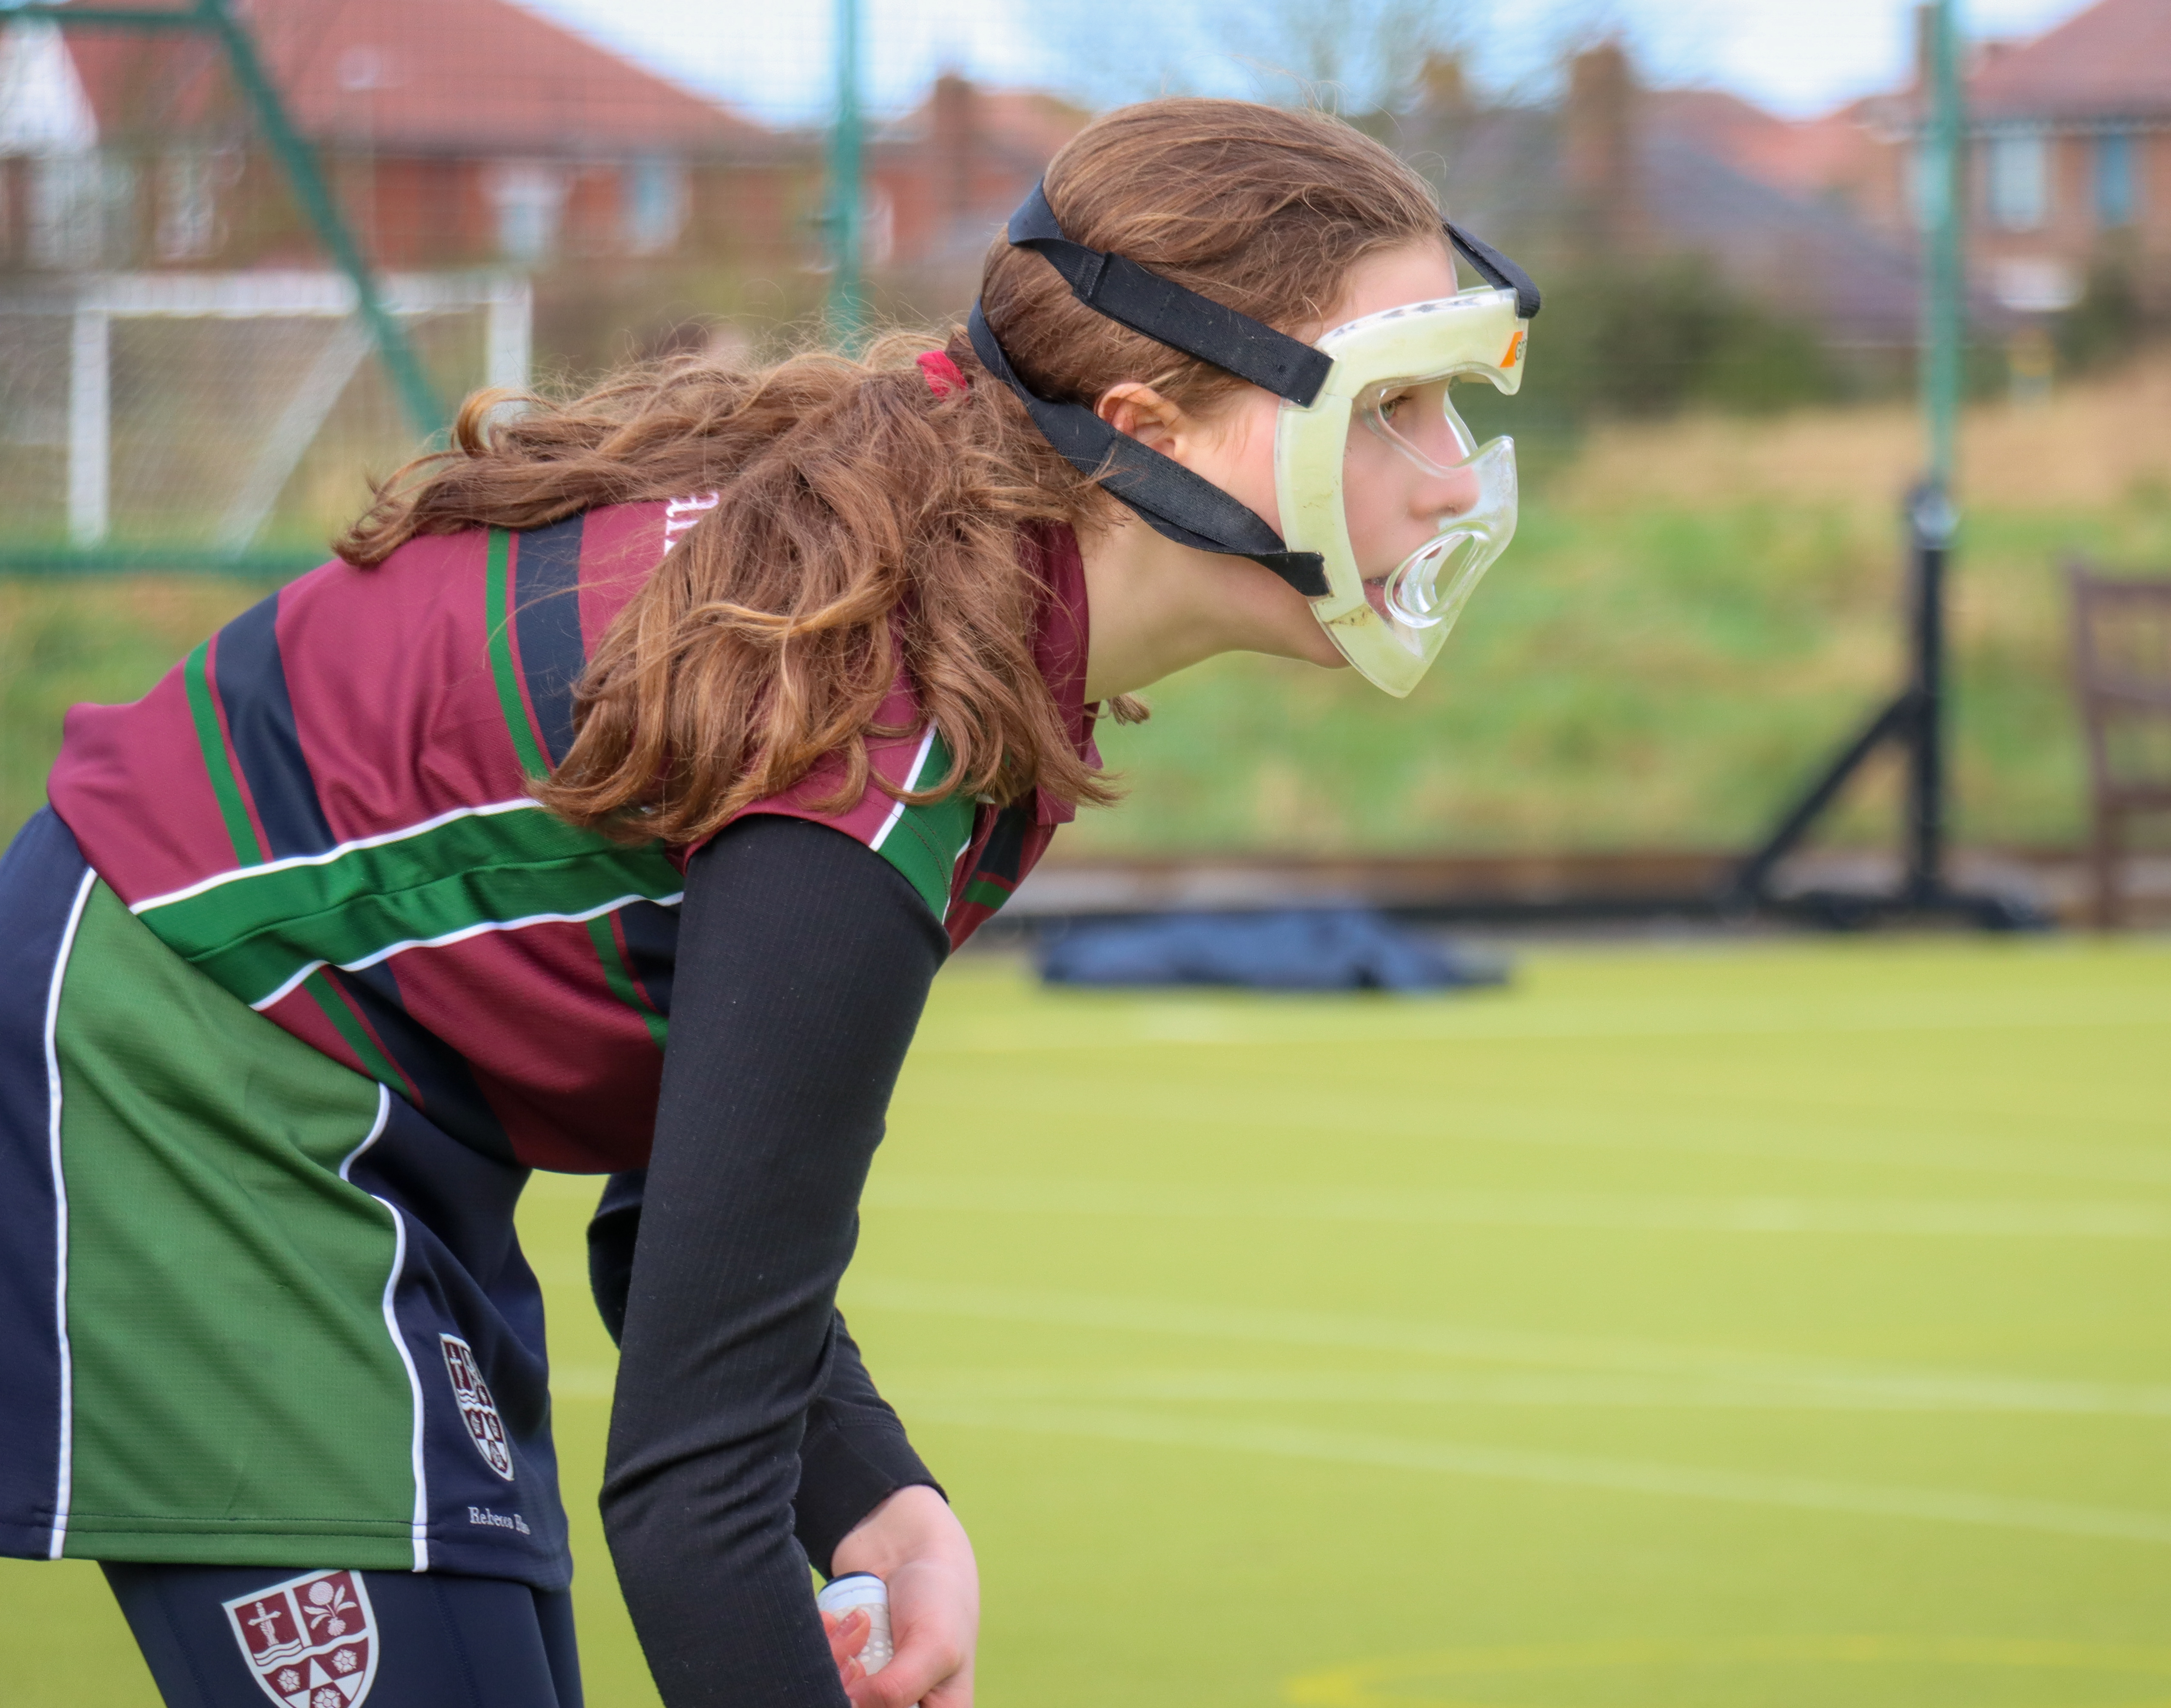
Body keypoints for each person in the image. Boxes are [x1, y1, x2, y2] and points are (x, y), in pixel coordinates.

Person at [0, 97, 1534, 1708]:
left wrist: (876, 1492)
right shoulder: (887, 738)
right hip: (181, 1080)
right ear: (1149, 434)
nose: (1448, 482)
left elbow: (685, 1211)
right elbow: (689, 1493)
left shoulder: (972, 627)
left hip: (341, 1101)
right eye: (1392, 406)